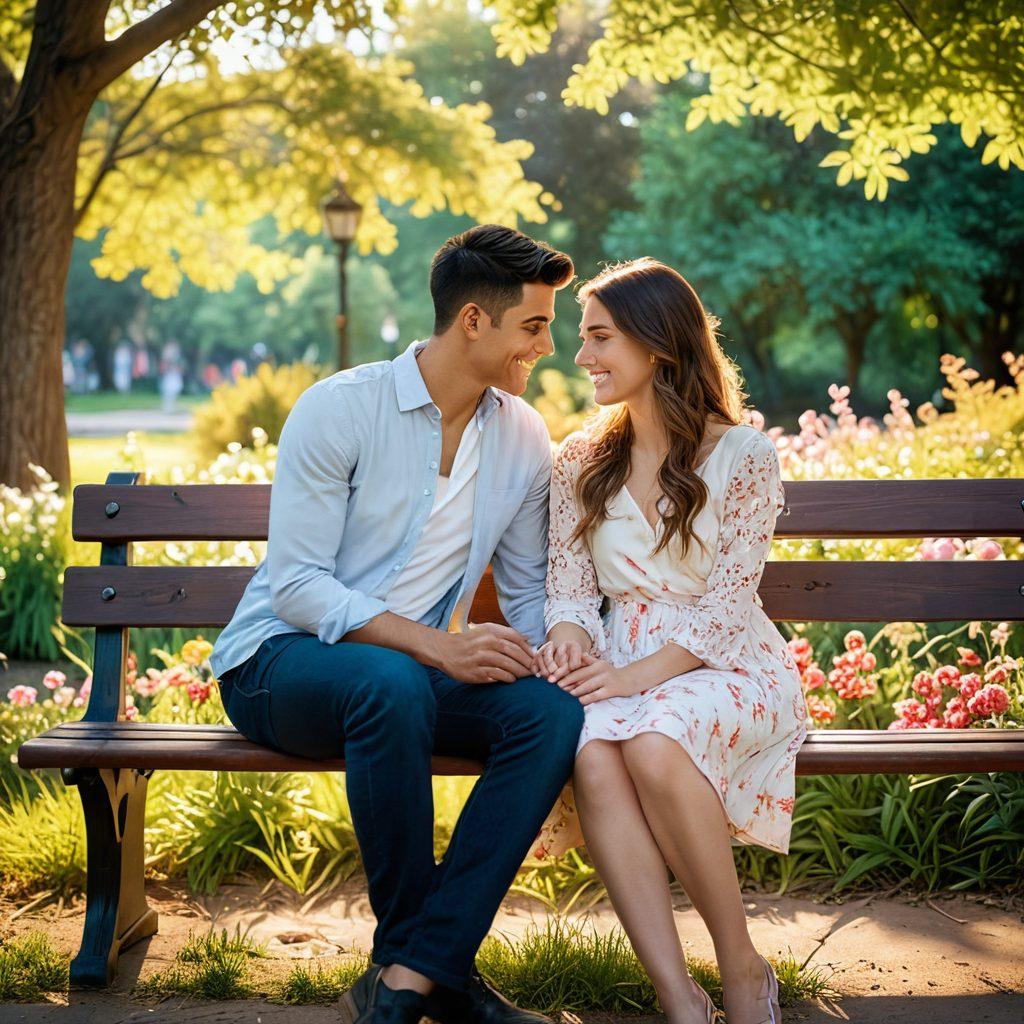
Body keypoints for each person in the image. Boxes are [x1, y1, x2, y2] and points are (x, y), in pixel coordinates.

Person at [209, 225, 584, 1024]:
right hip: (281, 665)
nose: (547, 346)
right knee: (388, 680)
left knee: (550, 715)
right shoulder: (341, 408)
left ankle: (415, 971)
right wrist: (434, 645)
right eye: (534, 325)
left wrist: (558, 652)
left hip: (412, 676)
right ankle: (435, 970)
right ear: (474, 322)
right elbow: (300, 587)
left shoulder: (521, 435)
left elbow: (524, 592)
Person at [532, 259, 807, 1024]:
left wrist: (632, 679)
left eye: (598, 338)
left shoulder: (743, 455)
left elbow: (725, 608)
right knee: (590, 749)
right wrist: (568, 640)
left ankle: (740, 965)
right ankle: (677, 995)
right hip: (624, 660)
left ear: (657, 343)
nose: (581, 357)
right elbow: (571, 588)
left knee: (656, 738)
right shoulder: (580, 458)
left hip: (725, 663)